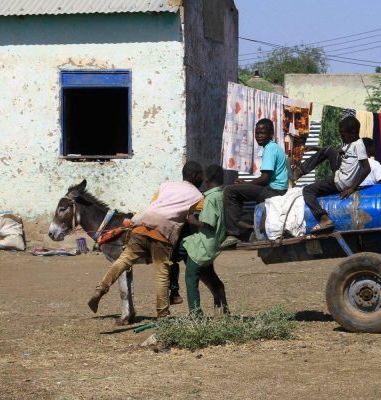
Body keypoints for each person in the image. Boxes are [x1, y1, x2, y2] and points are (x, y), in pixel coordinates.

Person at [87, 161, 204, 319]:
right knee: (162, 273)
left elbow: (154, 203)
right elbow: (201, 213)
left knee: (123, 260)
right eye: (201, 176)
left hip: (141, 225)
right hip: (162, 232)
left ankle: (100, 289)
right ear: (196, 176)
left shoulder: (166, 186)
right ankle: (163, 314)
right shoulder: (197, 196)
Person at [292, 116, 371, 233]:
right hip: (341, 175)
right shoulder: (350, 144)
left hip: (342, 182)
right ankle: (300, 171)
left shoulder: (359, 145)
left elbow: (367, 168)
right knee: (328, 149)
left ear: (353, 132)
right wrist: (316, 149)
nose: (341, 137)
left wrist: (352, 188)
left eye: (343, 135)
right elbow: (333, 151)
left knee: (307, 190)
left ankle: (323, 219)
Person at [221, 118, 289, 248]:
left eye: (262, 133)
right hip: (275, 189)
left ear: (271, 134)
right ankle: (248, 229)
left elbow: (264, 178)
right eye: (257, 133)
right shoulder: (274, 148)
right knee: (240, 191)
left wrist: (245, 183)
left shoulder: (269, 149)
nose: (259, 136)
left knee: (230, 191)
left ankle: (232, 234)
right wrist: (246, 183)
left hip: (275, 191)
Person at [180, 164, 228, 316]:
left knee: (190, 275)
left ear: (207, 181)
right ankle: (222, 309)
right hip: (216, 241)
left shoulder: (210, 198)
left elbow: (208, 223)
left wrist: (191, 219)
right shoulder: (222, 195)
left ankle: (196, 314)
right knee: (208, 273)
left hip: (206, 242)